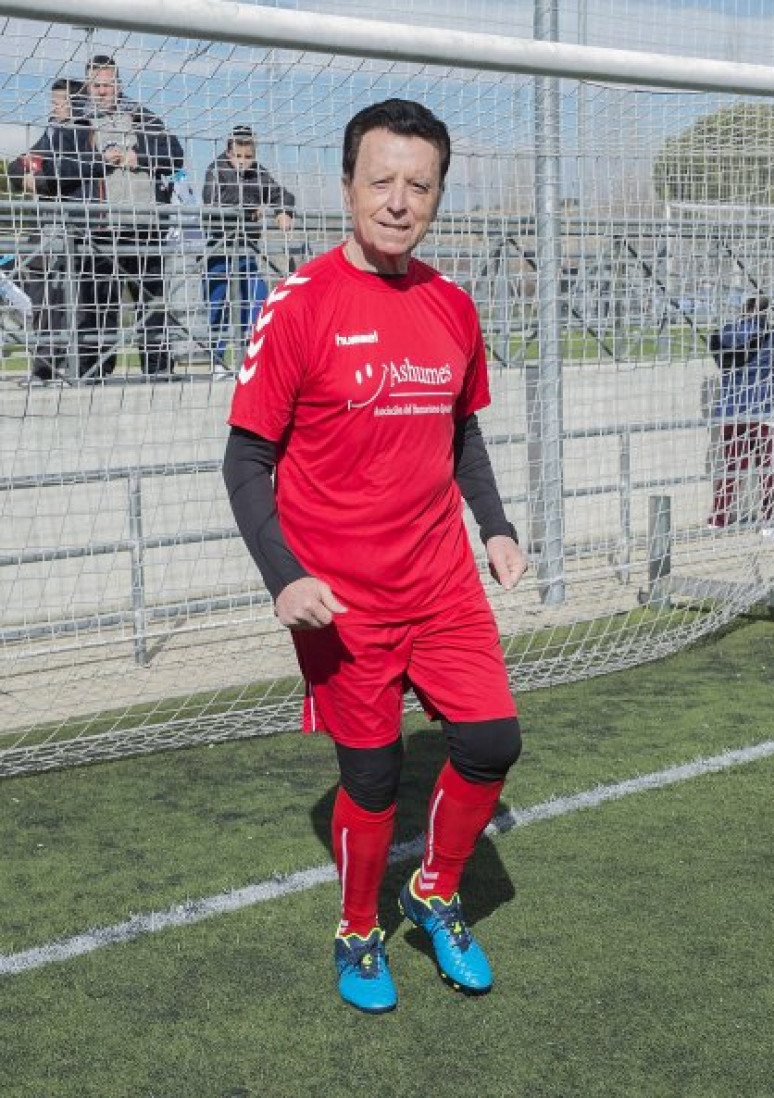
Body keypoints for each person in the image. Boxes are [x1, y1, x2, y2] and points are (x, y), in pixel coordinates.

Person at [223, 98, 527, 1014]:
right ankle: (359, 933)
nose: (399, 201)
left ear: (438, 194)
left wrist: (496, 525)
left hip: (441, 582)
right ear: (348, 183)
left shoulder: (451, 304)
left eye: (419, 185)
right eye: (381, 180)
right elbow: (245, 461)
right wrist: (287, 579)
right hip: (341, 601)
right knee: (374, 777)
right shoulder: (298, 305)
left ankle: (434, 892)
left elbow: (461, 431)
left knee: (490, 740)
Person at [74, 54, 184, 379]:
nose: (103, 90)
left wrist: (139, 156)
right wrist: (99, 160)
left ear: (119, 85)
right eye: (97, 85)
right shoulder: (78, 125)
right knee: (100, 307)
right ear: (88, 88)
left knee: (150, 306)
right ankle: (95, 373)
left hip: (144, 228)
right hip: (100, 230)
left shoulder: (143, 118)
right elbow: (63, 167)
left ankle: (158, 370)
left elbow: (175, 156)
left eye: (108, 84)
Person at [8, 78, 97, 384]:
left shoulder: (82, 131)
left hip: (73, 227)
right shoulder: (52, 132)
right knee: (35, 289)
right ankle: (45, 364)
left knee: (68, 299)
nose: (54, 106)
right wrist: (28, 176)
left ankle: (59, 367)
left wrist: (42, 178)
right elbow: (17, 166)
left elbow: (76, 169)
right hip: (46, 226)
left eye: (59, 101)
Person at [202, 125, 294, 376]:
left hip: (246, 249)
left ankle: (251, 357)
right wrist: (248, 210)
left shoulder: (258, 173)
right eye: (238, 157)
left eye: (248, 157)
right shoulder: (216, 170)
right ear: (229, 152)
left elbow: (280, 193)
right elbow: (212, 203)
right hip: (219, 247)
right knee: (216, 304)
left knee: (257, 300)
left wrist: (283, 210)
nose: (243, 163)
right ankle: (217, 362)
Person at [708, 294, 774, 535]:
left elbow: (720, 360)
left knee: (733, 467)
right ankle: (770, 522)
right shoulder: (773, 337)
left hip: (731, 412)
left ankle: (717, 519)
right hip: (764, 410)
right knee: (768, 469)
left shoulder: (723, 335)